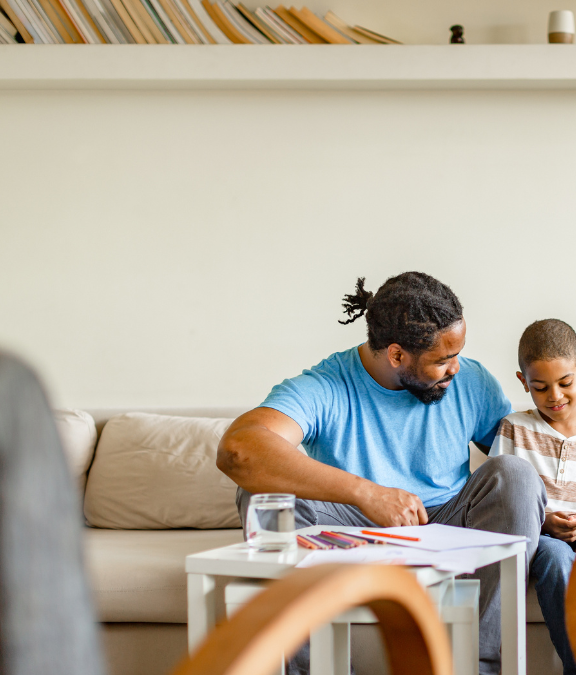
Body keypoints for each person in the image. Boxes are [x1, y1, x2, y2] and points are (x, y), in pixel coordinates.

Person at [217, 272, 546, 675]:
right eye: (442, 360)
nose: (456, 368)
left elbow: (527, 450)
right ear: (396, 355)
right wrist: (366, 493)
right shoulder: (326, 385)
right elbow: (239, 450)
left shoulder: (472, 381)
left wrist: (568, 502)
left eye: (457, 353)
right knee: (262, 492)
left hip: (447, 523)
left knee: (516, 474)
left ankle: (479, 669)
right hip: (348, 534)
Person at [488, 319, 576, 675]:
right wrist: (545, 521)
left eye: (565, 383)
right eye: (540, 387)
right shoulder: (514, 429)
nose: (554, 396)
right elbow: (497, 501)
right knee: (556, 558)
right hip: (543, 537)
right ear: (524, 383)